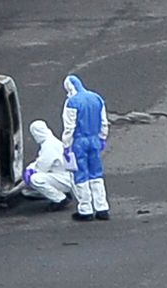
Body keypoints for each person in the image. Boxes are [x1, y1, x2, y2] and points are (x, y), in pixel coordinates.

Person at [61, 74, 110, 221]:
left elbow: (69, 127)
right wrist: (102, 137)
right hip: (94, 139)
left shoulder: (72, 102)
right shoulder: (96, 98)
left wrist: (66, 146)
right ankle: (102, 207)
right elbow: (104, 121)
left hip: (79, 142)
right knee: (96, 173)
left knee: (80, 175)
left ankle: (85, 209)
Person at [23, 120, 73, 211]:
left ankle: (60, 199)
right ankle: (62, 191)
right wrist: (31, 167)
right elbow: (42, 160)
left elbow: (43, 167)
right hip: (67, 175)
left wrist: (30, 170)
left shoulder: (48, 146)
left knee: (35, 179)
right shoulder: (52, 141)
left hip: (65, 179)